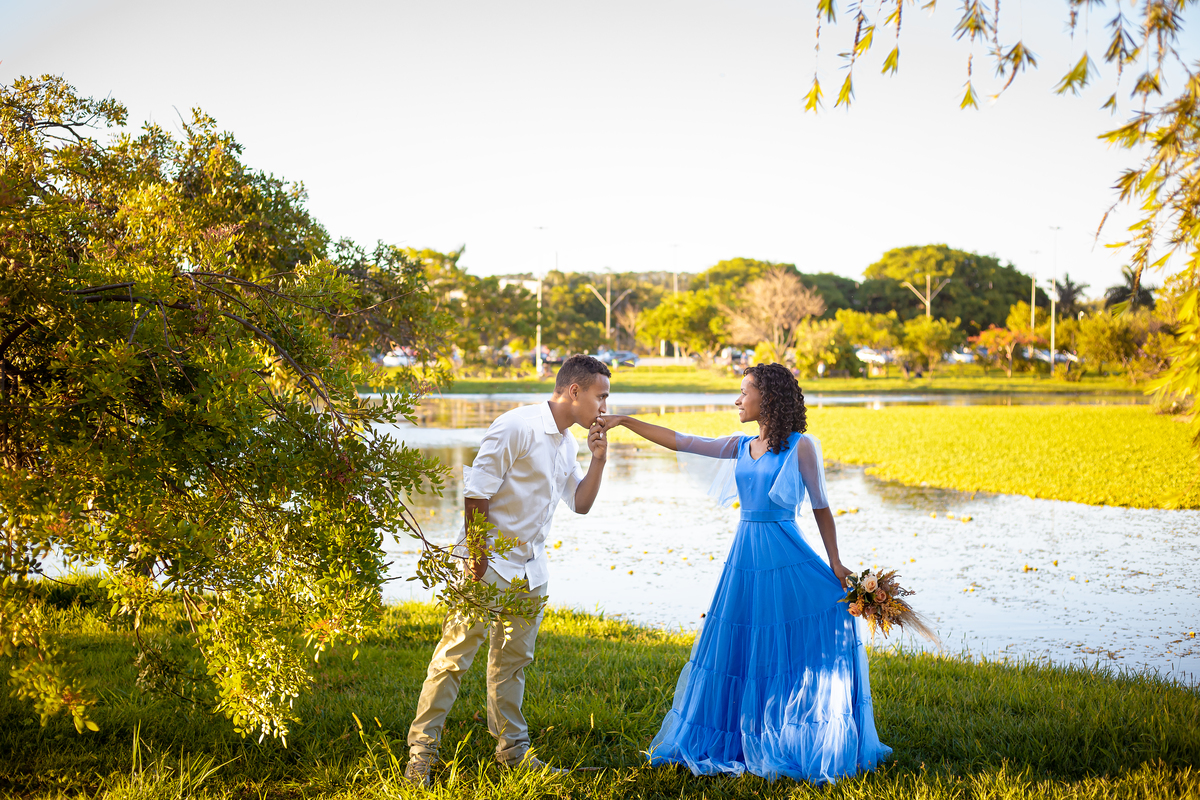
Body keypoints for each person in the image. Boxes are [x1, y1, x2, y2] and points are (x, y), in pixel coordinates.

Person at [599, 362, 891, 784]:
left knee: (798, 631)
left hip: (784, 552)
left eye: (744, 392)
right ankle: (740, 733)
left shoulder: (801, 447)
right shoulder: (740, 446)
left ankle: (794, 732)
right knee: (739, 644)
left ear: (766, 398)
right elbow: (682, 441)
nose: (737, 400)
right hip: (745, 555)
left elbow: (821, 507)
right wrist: (625, 421)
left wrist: (835, 562)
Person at [404, 355, 612, 787]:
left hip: (531, 571)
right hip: (487, 565)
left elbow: (581, 503)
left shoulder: (568, 444)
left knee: (512, 665)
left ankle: (513, 753)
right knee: (452, 661)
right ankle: (420, 758)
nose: (605, 407)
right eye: (601, 396)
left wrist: (599, 459)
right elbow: (476, 493)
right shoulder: (517, 426)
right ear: (574, 391)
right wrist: (477, 561)